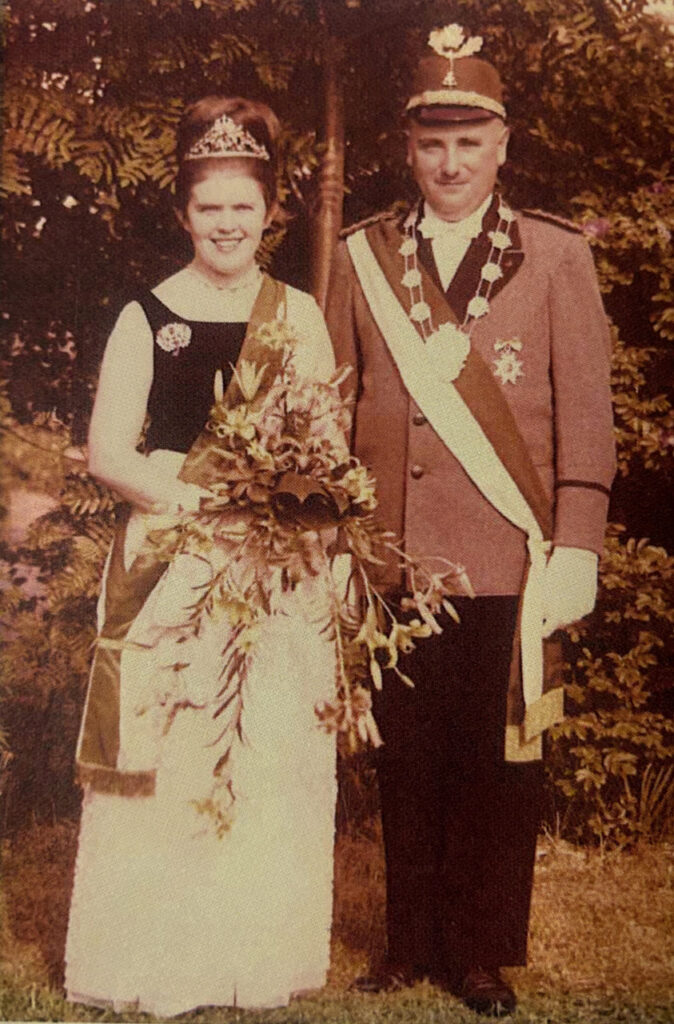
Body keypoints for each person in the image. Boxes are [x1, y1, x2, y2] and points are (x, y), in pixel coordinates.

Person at [326, 24, 616, 1017]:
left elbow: (585, 412)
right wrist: (337, 539)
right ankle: (409, 942)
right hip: (397, 554)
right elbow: (335, 405)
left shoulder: (555, 254)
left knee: (497, 761)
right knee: (406, 757)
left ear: (501, 146)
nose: (449, 163)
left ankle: (480, 951)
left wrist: (578, 541)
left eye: (468, 142)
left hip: (507, 551)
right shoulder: (364, 256)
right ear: (407, 149)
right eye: (431, 144)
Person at [65, 96, 340, 1016]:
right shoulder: (145, 316)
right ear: (184, 214)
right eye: (209, 207)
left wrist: (301, 515)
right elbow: (109, 453)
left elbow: (325, 446)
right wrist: (190, 498)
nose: (227, 224)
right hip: (176, 556)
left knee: (263, 748)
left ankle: (252, 956)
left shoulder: (298, 315)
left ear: (271, 212)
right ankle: (157, 958)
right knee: (176, 749)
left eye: (243, 207)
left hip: (270, 563)